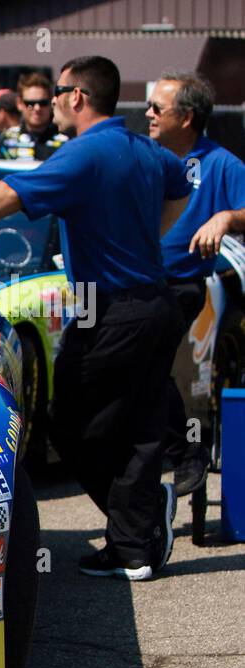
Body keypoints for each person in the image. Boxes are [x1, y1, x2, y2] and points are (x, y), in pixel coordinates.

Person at [0, 56, 191, 581]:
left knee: (68, 421)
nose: (49, 104)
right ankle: (134, 546)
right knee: (138, 424)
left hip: (112, 307)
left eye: (56, 93)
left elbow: (13, 193)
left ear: (77, 97)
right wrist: (143, 241)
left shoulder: (84, 154)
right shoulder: (144, 148)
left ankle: (135, 530)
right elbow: (181, 188)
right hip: (152, 301)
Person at [146, 70, 245, 495]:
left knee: (147, 365)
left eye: (157, 108)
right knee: (128, 370)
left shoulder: (223, 164)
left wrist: (225, 217)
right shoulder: (144, 157)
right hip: (134, 282)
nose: (147, 115)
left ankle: (189, 449)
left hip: (182, 285)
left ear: (186, 117)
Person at [0, 73, 69, 160]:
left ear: (51, 102)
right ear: (19, 103)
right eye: (30, 103)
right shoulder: (6, 139)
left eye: (42, 103)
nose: (37, 108)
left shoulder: (66, 140)